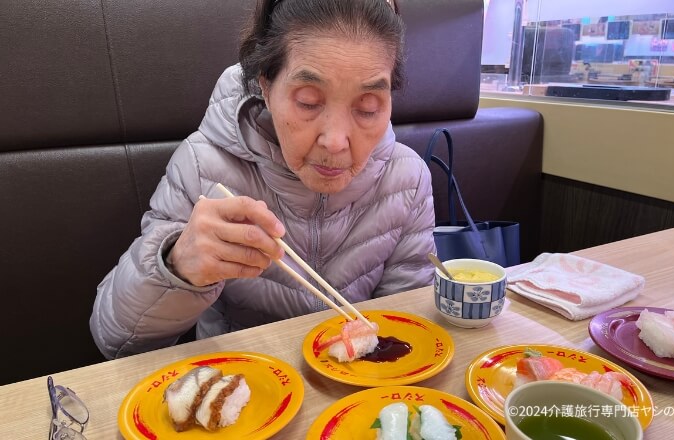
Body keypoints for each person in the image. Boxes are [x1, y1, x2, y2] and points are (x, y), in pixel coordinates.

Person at [90, 0, 435, 359]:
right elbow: (114, 340)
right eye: (308, 102)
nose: (335, 141)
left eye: (367, 108)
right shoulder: (204, 166)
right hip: (243, 390)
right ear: (266, 86)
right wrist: (177, 267)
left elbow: (406, 327)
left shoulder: (406, 180)